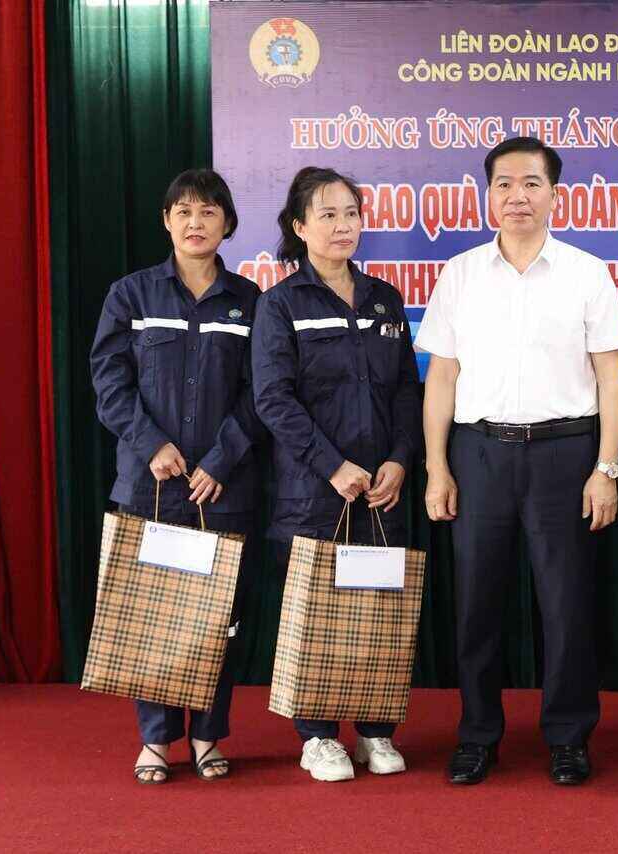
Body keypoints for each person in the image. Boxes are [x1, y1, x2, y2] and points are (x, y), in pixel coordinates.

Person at [417, 136, 618, 786]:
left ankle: (568, 737)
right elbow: (442, 379)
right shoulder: (459, 273)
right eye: (504, 183)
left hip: (566, 454)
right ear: (488, 194)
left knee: (566, 606)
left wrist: (607, 469)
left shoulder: (586, 272)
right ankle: (478, 734)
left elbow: (612, 379)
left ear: (554, 194)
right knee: (477, 605)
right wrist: (436, 466)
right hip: (479, 455)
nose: (517, 196)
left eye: (531, 183)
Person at [90, 168, 263, 784]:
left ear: (227, 224)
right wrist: (151, 444)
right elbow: (109, 383)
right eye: (184, 211)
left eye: (209, 212)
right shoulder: (131, 296)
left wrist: (222, 459)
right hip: (151, 485)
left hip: (225, 488)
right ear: (167, 221)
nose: (196, 222)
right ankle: (156, 740)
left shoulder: (251, 303)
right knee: (154, 614)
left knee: (222, 617)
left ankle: (210, 737)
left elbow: (261, 393)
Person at [251, 166, 421, 782]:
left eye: (351, 212)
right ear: (299, 227)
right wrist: (332, 466)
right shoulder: (280, 304)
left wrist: (400, 459)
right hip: (312, 489)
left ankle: (376, 729)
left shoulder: (384, 299)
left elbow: (407, 388)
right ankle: (318, 734)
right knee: (316, 609)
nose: (343, 225)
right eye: (327, 215)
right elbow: (273, 399)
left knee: (377, 607)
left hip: (382, 486)